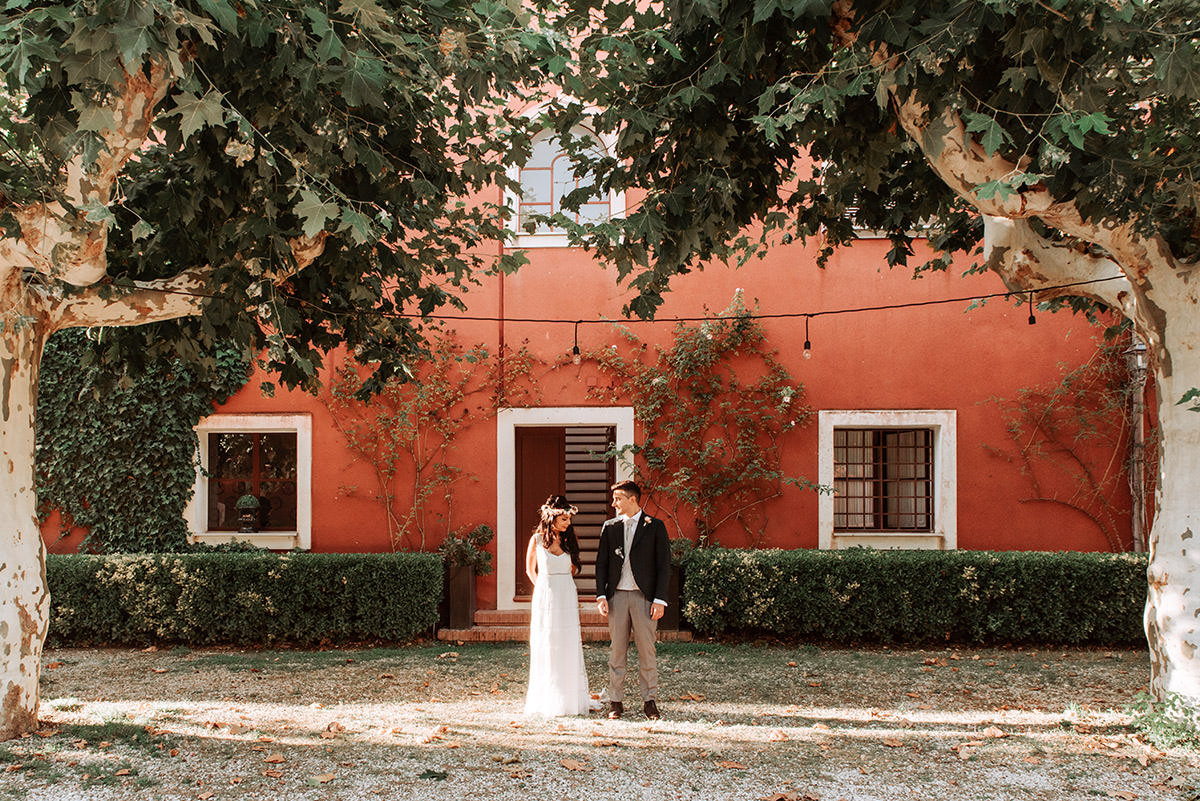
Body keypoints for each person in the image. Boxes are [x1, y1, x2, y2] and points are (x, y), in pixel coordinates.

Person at [595, 480, 670, 720]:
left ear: (632, 499)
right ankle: (616, 702)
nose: (613, 503)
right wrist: (601, 595)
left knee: (647, 651)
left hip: (644, 597)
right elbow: (601, 565)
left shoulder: (655, 526)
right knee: (616, 651)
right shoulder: (610, 527)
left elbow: (663, 565)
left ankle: (650, 701)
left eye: (617, 498)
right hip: (617, 596)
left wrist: (659, 599)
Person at [523, 495, 591, 716]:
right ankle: (548, 697)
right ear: (551, 518)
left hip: (566, 594)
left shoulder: (569, 541)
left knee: (567, 641)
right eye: (564, 519)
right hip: (546, 594)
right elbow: (530, 569)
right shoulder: (536, 540)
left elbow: (571, 570)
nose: (568, 523)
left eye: (569, 519)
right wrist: (542, 587)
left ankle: (569, 698)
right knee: (548, 641)